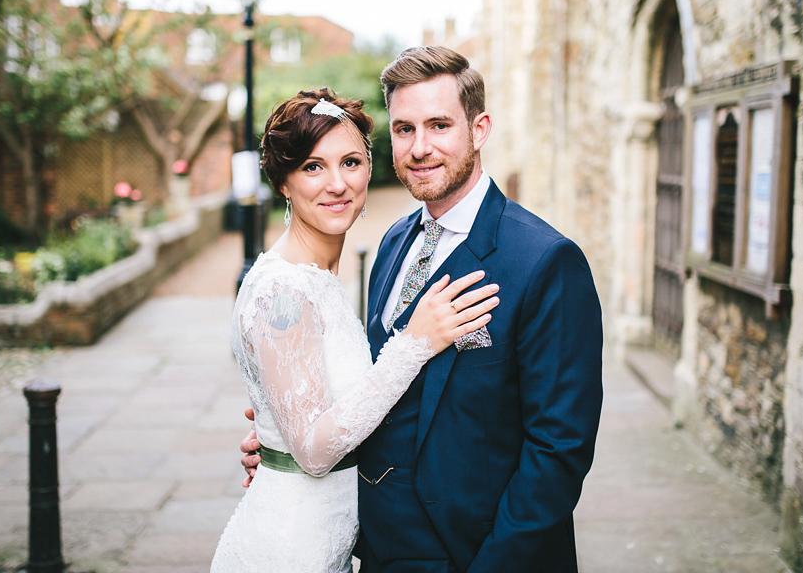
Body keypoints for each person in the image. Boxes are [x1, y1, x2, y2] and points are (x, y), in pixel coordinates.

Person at [242, 46, 603, 572]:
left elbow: (559, 447)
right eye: (405, 129)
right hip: (379, 547)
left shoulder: (546, 261)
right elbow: (373, 385)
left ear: (478, 130)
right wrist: (284, 437)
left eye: (439, 125)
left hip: (477, 552)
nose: (420, 147)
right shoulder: (393, 241)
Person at [211, 88, 500, 573]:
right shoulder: (282, 291)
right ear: (282, 182)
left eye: (350, 162)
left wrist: (274, 430)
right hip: (290, 551)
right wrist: (414, 343)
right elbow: (316, 451)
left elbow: (321, 408)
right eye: (312, 167)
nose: (337, 184)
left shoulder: (322, 274)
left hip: (334, 542)